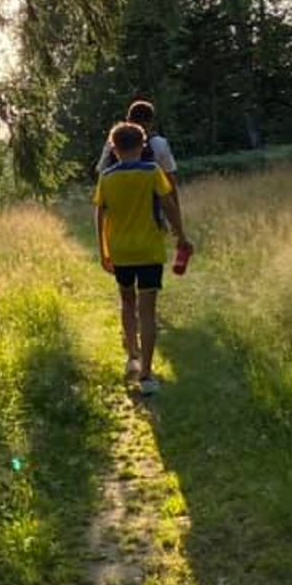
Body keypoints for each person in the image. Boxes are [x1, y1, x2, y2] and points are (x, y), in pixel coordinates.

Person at [93, 121, 193, 395]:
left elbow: (100, 215)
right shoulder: (152, 171)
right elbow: (168, 205)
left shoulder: (107, 177)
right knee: (148, 310)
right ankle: (147, 375)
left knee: (127, 303)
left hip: (120, 250)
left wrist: (103, 251)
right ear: (143, 145)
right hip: (149, 249)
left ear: (114, 149)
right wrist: (181, 236)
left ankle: (132, 357)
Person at [95, 100, 179, 194]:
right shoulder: (159, 143)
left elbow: (102, 171)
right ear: (151, 122)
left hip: (119, 198)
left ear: (128, 120)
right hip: (149, 199)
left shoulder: (114, 143)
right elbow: (169, 178)